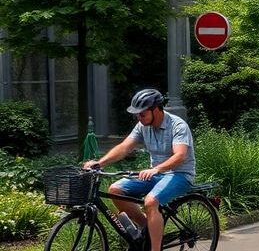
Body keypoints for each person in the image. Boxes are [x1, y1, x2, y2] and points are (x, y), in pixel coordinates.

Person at [83, 89, 195, 251]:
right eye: (137, 115)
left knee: (151, 201)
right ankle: (147, 228)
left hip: (180, 174)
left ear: (156, 109)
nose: (139, 118)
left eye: (142, 114)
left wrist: (157, 169)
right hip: (156, 174)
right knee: (115, 190)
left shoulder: (178, 125)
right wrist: (100, 163)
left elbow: (180, 156)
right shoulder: (142, 126)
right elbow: (124, 147)